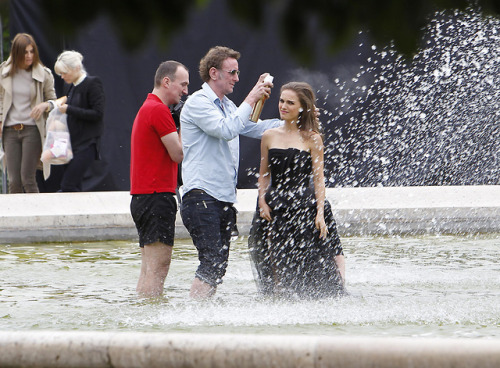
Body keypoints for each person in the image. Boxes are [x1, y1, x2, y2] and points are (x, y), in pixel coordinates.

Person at [180, 46, 281, 299]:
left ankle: (202, 315)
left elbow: (256, 129)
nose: (237, 77)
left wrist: (295, 121)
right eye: (232, 72)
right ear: (214, 73)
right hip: (200, 196)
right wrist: (251, 98)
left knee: (218, 266)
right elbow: (226, 130)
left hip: (222, 197)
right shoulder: (197, 103)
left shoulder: (227, 105)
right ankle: (191, 316)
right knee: (211, 262)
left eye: (237, 72)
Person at [249, 82, 345, 299]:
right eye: (281, 100)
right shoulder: (269, 135)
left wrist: (320, 212)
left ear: (302, 107)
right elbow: (264, 174)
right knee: (275, 256)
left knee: (312, 256)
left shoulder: (313, 138)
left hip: (304, 203)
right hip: (276, 205)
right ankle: (279, 300)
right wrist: (262, 201)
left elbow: (319, 179)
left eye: (290, 102)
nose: (283, 106)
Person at [130, 61, 188, 297]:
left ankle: (143, 316)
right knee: (158, 267)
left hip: (144, 197)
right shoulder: (159, 110)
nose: (185, 91)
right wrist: (185, 123)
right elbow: (178, 153)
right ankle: (152, 324)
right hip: (156, 197)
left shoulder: (148, 107)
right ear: (167, 81)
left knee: (148, 269)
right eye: (182, 84)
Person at [0, 33, 57, 193]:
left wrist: (44, 105)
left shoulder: (43, 74)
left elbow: (54, 101)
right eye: (25, 52)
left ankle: (38, 216)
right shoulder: (4, 72)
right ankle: (15, 217)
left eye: (32, 51)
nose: (29, 56)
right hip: (10, 131)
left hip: (32, 130)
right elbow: (0, 98)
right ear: (17, 52)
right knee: (14, 181)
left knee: (27, 178)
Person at [54, 50, 105, 191]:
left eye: (65, 73)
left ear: (76, 68)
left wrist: (69, 109)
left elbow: (97, 113)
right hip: (72, 144)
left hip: (87, 143)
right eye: (61, 74)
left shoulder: (92, 83)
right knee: (74, 185)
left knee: (68, 184)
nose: (63, 77)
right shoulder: (71, 87)